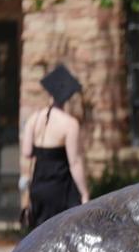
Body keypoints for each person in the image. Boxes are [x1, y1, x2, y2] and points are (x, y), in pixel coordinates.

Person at [19, 64, 90, 230]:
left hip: (38, 188)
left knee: (39, 238)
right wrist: (84, 193)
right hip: (61, 190)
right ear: (68, 97)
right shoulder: (70, 124)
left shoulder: (34, 119)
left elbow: (27, 152)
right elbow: (75, 163)